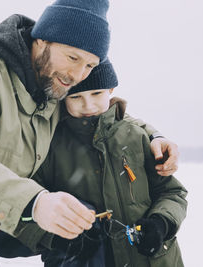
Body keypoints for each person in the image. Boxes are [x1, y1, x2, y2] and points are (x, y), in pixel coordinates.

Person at [0, 0, 179, 265]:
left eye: (89, 65)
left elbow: (97, 117)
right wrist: (32, 203)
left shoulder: (53, 86)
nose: (77, 75)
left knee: (82, 224)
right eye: (73, 57)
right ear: (42, 40)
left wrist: (153, 136)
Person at [34, 59, 187, 267]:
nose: (88, 105)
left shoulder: (137, 137)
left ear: (111, 89)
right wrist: (58, 238)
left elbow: (172, 193)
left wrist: (161, 223)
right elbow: (30, 207)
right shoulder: (48, 146)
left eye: (96, 93)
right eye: (76, 96)